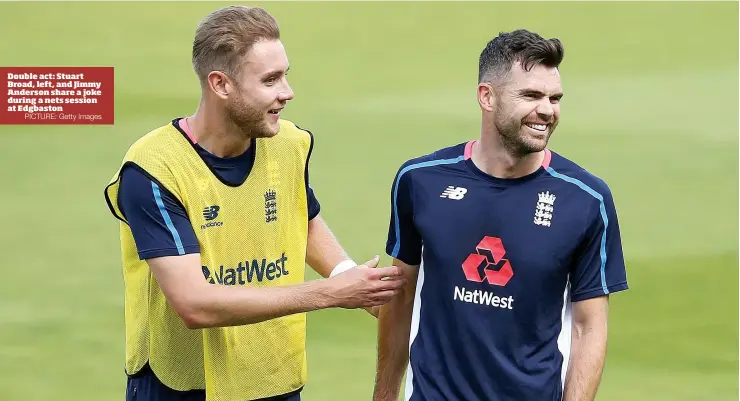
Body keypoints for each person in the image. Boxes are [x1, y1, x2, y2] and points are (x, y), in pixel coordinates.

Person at [103, 5, 405, 401]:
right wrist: (331, 294)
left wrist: (347, 274)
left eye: (286, 75)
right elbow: (195, 304)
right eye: (270, 80)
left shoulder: (288, 144)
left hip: (271, 377)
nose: (287, 92)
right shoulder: (153, 170)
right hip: (181, 387)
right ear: (221, 84)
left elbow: (302, 217)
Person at [373, 29, 629, 401]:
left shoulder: (587, 199)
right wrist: (383, 397)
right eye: (531, 95)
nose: (547, 110)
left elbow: (589, 329)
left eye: (554, 98)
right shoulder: (420, 181)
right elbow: (399, 299)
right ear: (487, 96)